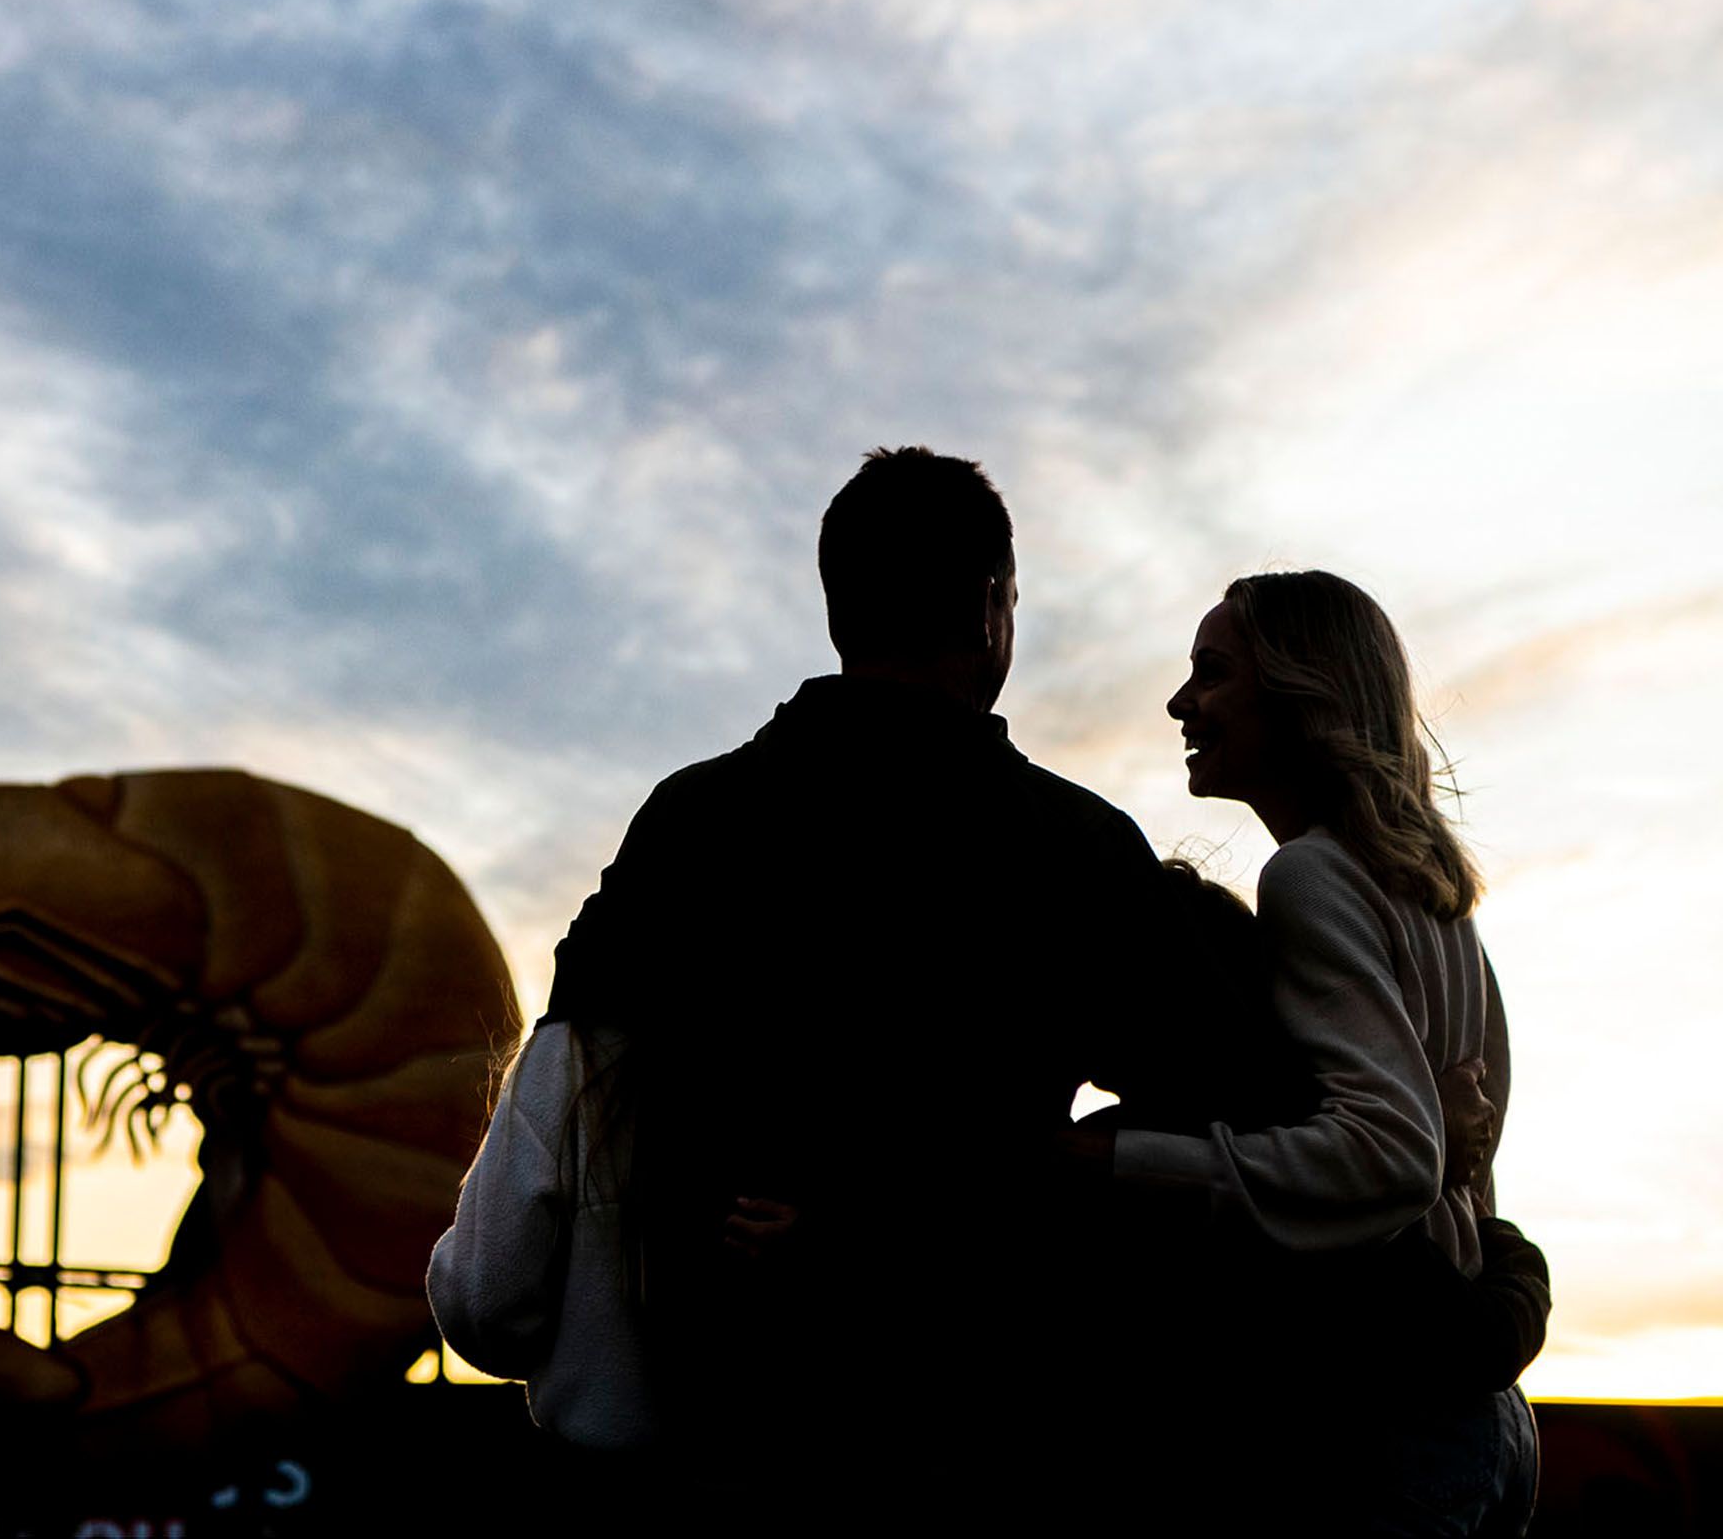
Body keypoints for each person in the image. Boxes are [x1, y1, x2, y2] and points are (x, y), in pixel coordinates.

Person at [462, 449, 1543, 1526]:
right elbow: (1260, 1116)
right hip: (953, 1460)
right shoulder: (1071, 850)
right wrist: (1486, 1259)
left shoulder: (682, 827)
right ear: (990, 610)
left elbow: (528, 1189)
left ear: (840, 607)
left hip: (678, 1459)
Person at [1078, 570, 1540, 1534]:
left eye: (1211, 674)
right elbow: (1460, 1156)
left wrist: (1118, 1161)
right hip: (1485, 1418)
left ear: (1300, 693)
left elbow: (1393, 1155)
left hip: (1394, 1424)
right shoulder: (1446, 908)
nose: (1179, 702)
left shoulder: (1311, 877)